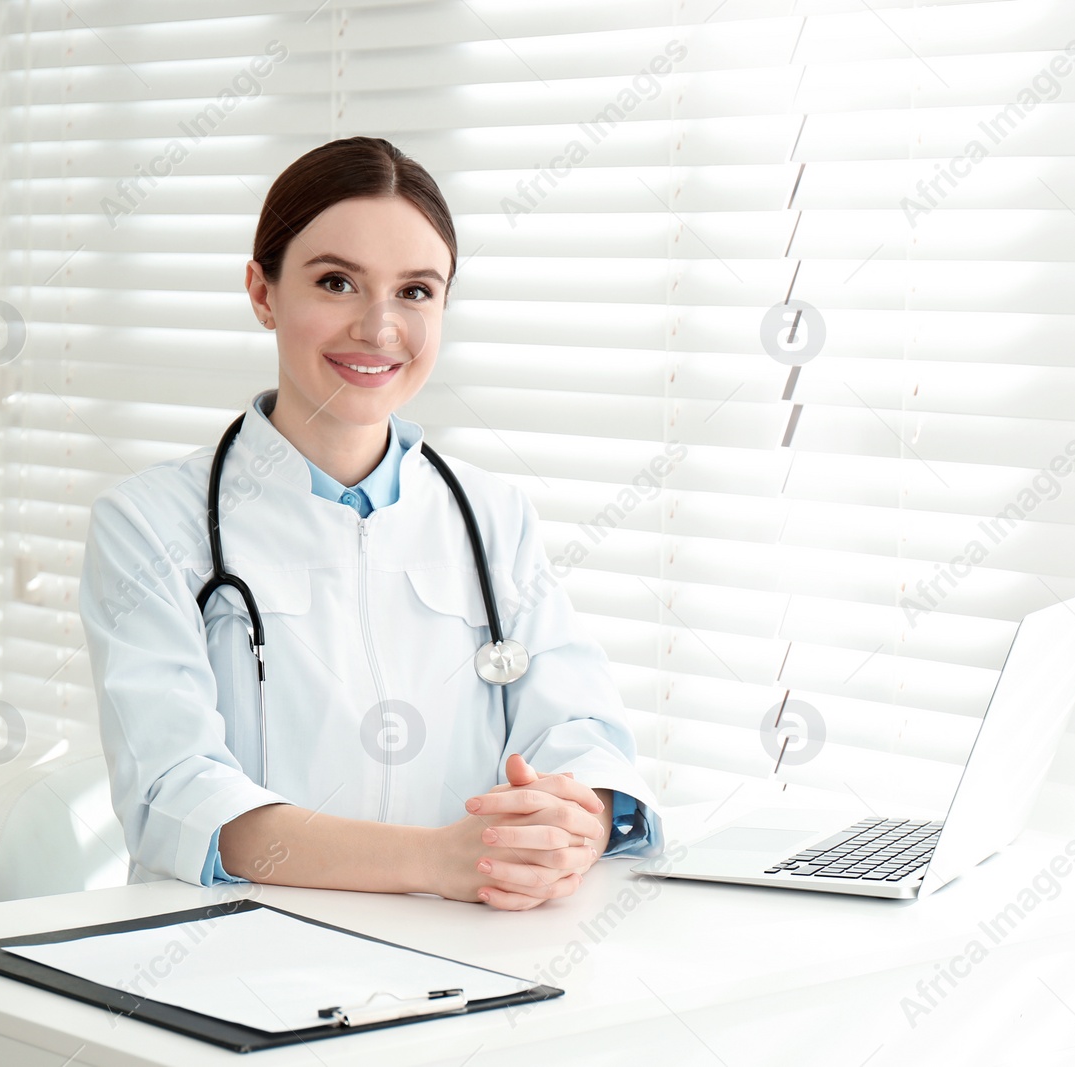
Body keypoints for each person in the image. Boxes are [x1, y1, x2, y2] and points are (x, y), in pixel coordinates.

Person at [79, 136, 662, 912]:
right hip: (234, 956)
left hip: (465, 948)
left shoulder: (493, 515)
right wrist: (439, 860)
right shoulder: (149, 523)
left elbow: (581, 729)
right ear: (263, 292)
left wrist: (572, 825)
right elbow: (174, 794)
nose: (380, 328)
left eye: (416, 291)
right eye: (336, 282)